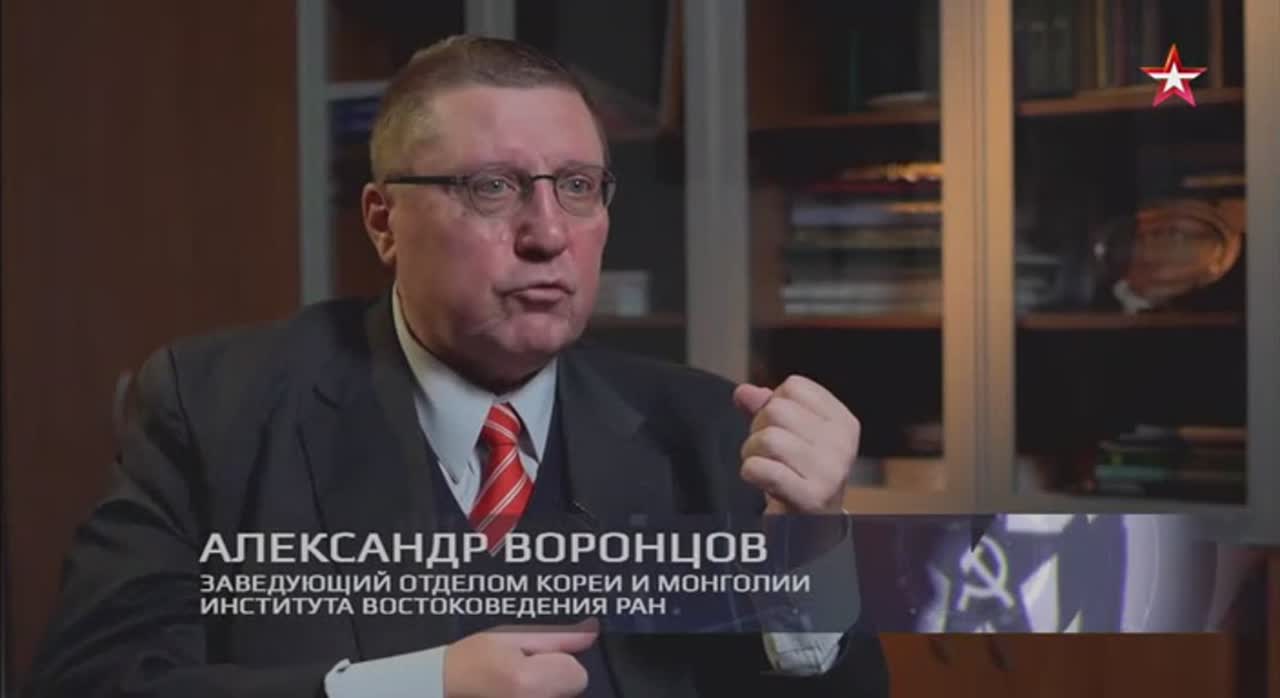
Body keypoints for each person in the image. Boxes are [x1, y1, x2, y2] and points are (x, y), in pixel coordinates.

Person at [26, 36, 888, 698]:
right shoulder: (214, 409)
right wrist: (414, 687)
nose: (547, 233)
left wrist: (809, 551)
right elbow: (92, 682)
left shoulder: (713, 433)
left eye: (577, 186)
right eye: (492, 187)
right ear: (382, 222)